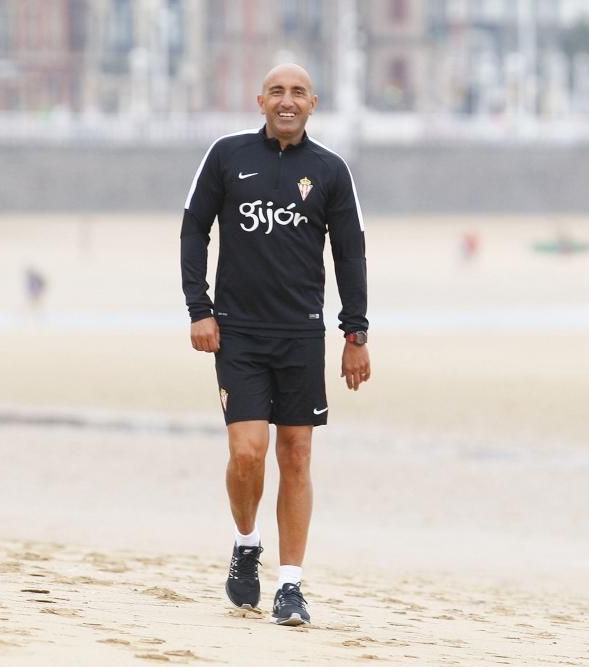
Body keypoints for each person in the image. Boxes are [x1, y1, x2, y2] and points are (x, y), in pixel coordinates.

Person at [180, 64, 370, 626]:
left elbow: (351, 253)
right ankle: (245, 543)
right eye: (277, 92)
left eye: (298, 93)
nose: (287, 101)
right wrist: (200, 309)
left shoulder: (330, 171)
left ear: (314, 103)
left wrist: (355, 334)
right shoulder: (226, 156)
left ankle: (291, 585)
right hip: (236, 331)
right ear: (259, 99)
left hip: (300, 334)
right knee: (246, 454)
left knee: (297, 454)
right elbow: (194, 228)